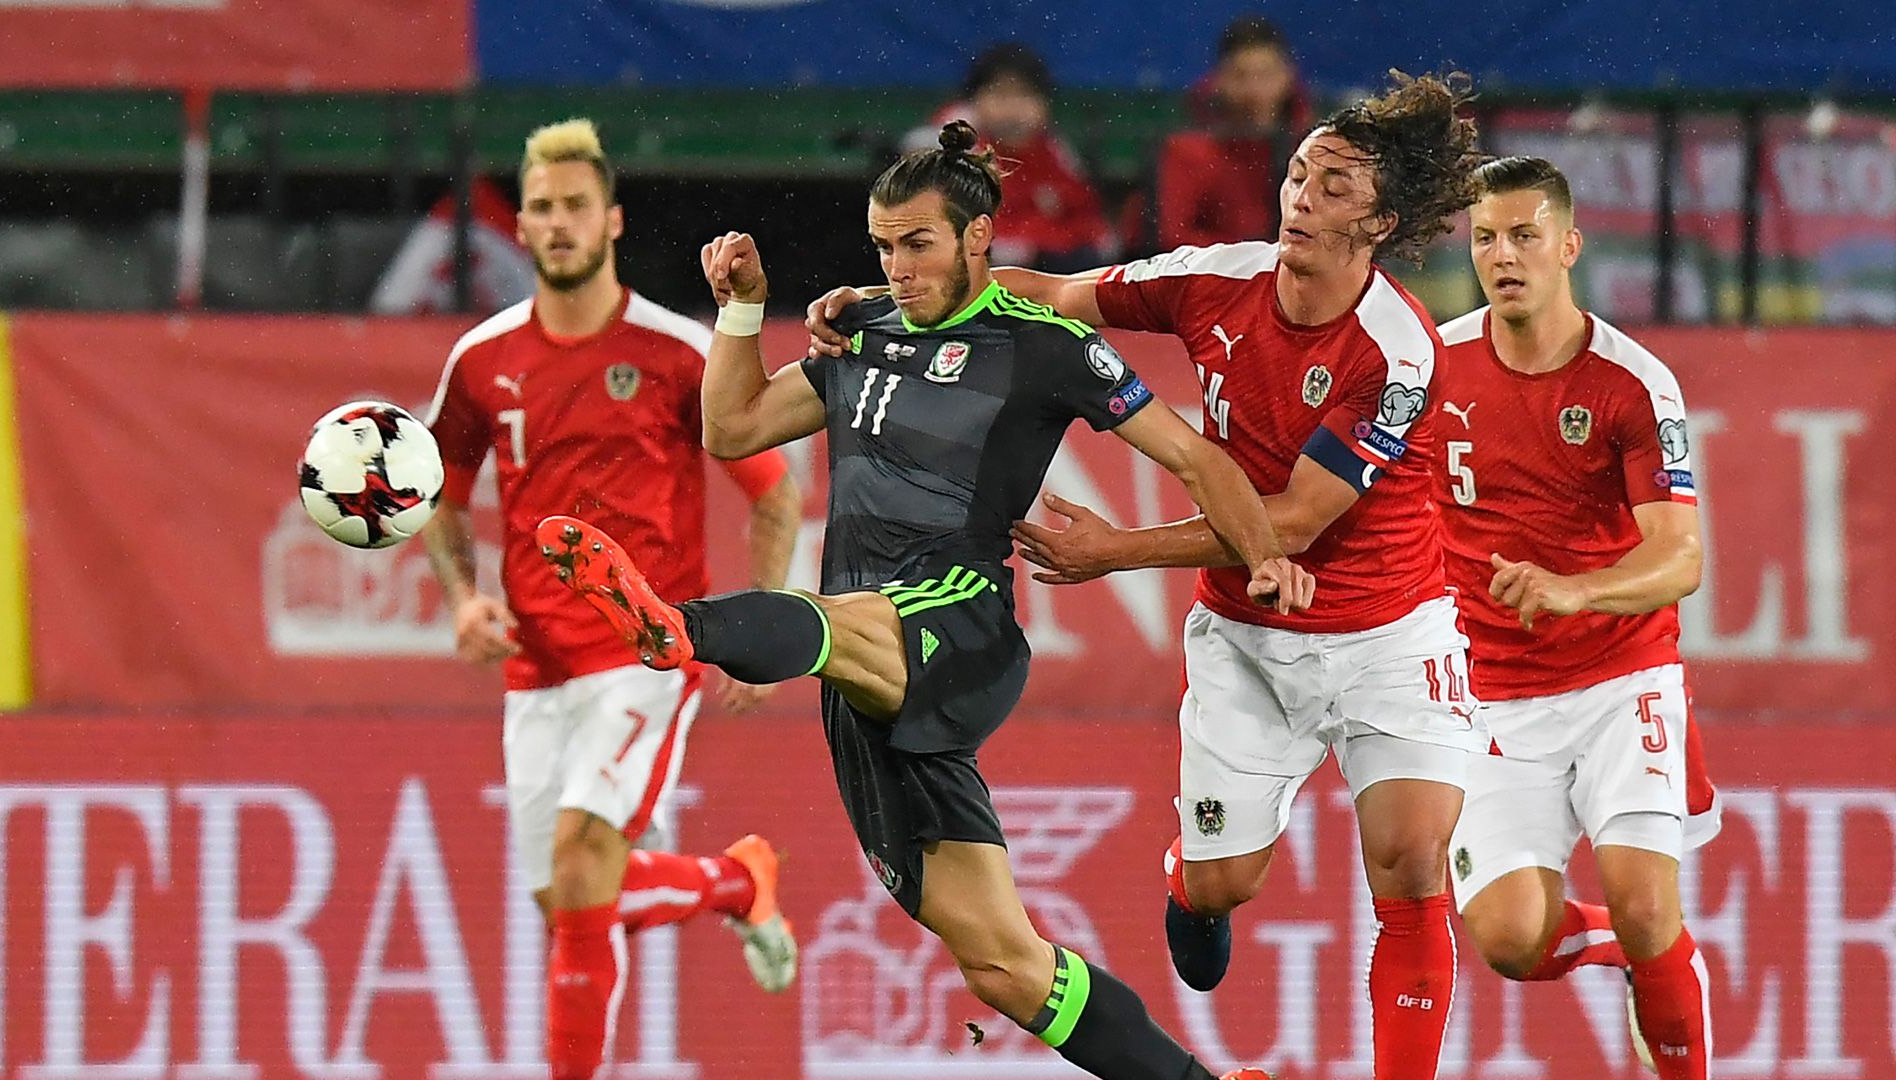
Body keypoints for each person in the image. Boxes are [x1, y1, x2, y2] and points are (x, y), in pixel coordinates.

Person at [539, 120, 1306, 1080]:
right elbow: (733, 429)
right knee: (1003, 965)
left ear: (978, 235)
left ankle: (675, 624)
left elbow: (1194, 457)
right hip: (861, 674)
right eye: (884, 247)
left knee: (839, 622)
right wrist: (744, 311)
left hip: (960, 620)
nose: (897, 267)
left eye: (919, 243)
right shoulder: (861, 332)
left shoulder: (1049, 346)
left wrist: (1264, 555)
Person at [810, 69, 1487, 1080]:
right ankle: (1190, 882)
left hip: (1392, 635)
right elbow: (1055, 296)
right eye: (1299, 175)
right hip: (1250, 643)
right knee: (1223, 884)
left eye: (1334, 187)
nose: (1301, 196)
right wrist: (889, 302)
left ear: (1380, 221)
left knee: (1411, 858)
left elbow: (1293, 523)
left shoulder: (1399, 355)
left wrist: (1113, 550)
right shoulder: (1219, 278)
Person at [418, 118, 804, 1080]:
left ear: (613, 219)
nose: (556, 225)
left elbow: (775, 492)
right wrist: (464, 599)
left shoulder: (677, 353)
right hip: (534, 669)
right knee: (571, 907)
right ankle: (732, 880)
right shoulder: (480, 359)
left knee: (587, 866)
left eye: (574, 207)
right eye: (540, 208)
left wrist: (758, 632)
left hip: (645, 651)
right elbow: (439, 492)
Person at [1432, 155, 1717, 1080]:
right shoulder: (1431, 367)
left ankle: (1661, 967)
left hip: (1619, 677)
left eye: (1523, 236)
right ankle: (1642, 961)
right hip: (1490, 698)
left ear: (1568, 245)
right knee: (1511, 942)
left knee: (1646, 904)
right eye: (1485, 238)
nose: (1503, 255)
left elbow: (1682, 557)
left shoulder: (1634, 382)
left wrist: (1577, 589)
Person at [908, 43, 1116, 272]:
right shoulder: (952, 147)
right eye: (1000, 95)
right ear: (974, 100)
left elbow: (1083, 212)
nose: (1013, 109)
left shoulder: (1052, 149)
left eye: (1024, 96)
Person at [1155, 15, 1314, 250]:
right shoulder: (1187, 151)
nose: (1254, 91)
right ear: (1218, 80)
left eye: (1265, 75)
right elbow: (1174, 239)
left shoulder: (1310, 149)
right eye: (1240, 75)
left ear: (1287, 77)